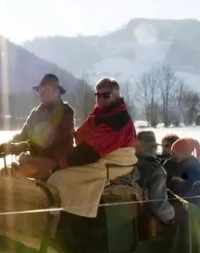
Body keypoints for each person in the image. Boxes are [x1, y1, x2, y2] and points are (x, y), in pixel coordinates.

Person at [46, 76, 138, 220]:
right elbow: (85, 136)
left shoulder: (117, 119)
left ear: (116, 95)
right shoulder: (101, 113)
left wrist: (62, 162)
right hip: (100, 155)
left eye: (105, 95)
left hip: (113, 162)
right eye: (97, 95)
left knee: (58, 179)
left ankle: (63, 222)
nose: (100, 99)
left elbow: (91, 151)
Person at [0, 73, 74, 181]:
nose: (41, 94)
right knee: (5, 173)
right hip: (32, 161)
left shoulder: (66, 113)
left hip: (54, 164)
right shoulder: (36, 112)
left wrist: (16, 148)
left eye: (45, 91)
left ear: (56, 91)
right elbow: (23, 136)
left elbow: (45, 139)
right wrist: (3, 147)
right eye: (40, 91)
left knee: (14, 176)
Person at [133, 130, 176, 226]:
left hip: (130, 216)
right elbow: (158, 204)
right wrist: (172, 216)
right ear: (153, 148)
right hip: (146, 221)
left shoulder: (127, 164)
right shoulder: (157, 171)